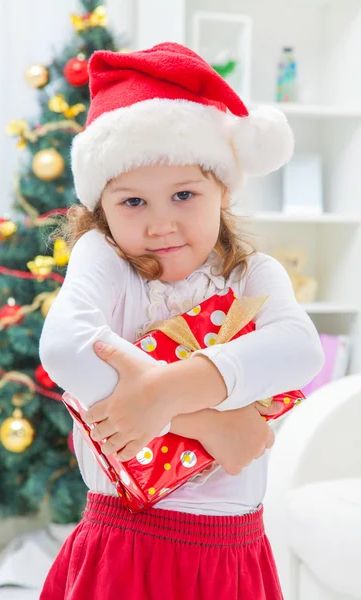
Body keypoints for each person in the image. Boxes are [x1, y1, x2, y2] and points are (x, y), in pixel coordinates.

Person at [39, 42, 324, 600]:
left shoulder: (254, 276)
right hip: (125, 542)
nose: (161, 224)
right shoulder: (106, 262)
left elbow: (300, 350)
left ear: (222, 190)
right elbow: (66, 350)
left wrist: (165, 392)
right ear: (102, 208)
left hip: (232, 554)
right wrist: (209, 423)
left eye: (184, 194)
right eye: (133, 203)